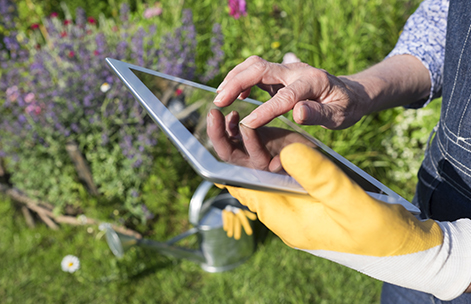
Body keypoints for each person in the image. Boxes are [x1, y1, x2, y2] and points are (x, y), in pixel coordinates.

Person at [209, 0, 471, 302]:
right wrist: (356, 92)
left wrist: (446, 260)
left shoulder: (433, 260)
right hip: (432, 204)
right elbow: (444, 23)